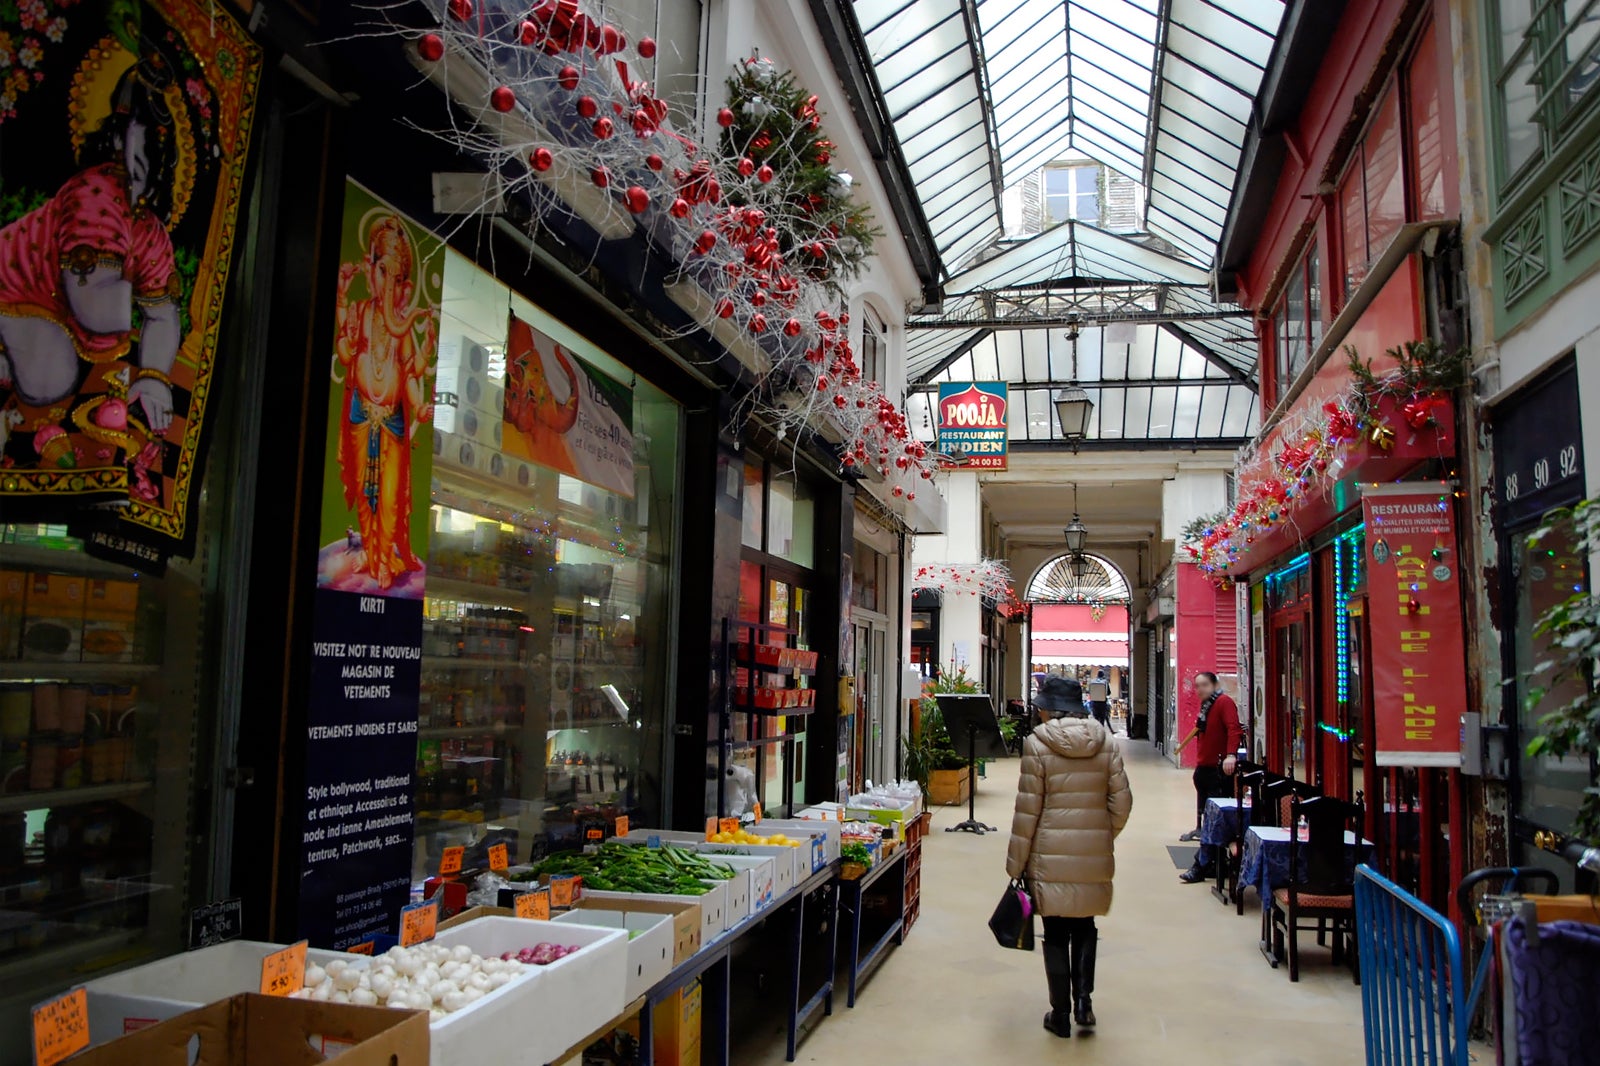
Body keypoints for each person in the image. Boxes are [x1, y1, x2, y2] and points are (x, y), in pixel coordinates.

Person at [1007, 675, 1133, 1038]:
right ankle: (1085, 1003)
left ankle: (1059, 1014)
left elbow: (1027, 811)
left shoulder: (1036, 744)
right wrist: (1102, 834)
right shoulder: (1105, 742)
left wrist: (1016, 864)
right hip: (1093, 853)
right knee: (1086, 926)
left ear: (1049, 709)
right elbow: (1121, 802)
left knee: (1057, 931)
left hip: (1048, 855)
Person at [1172, 672, 1244, 884]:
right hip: (1205, 769)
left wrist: (1231, 755)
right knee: (1208, 820)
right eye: (1197, 686)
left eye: (1204, 685)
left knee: (1212, 821)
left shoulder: (1223, 703)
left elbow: (1234, 729)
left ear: (1214, 685)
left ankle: (1201, 865)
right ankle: (1212, 862)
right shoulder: (1207, 707)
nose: (1199, 690)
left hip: (1217, 771)